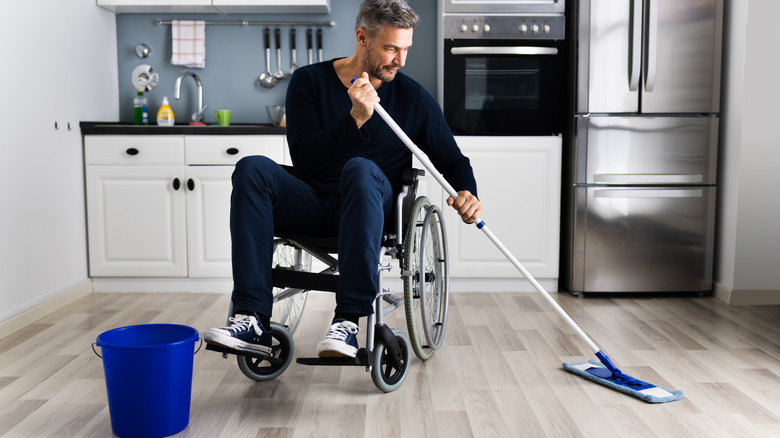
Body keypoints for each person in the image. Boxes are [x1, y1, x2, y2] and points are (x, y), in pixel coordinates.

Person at [203, 0, 483, 358]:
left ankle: (347, 322)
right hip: (313, 200)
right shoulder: (309, 81)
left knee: (361, 168)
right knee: (251, 167)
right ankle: (252, 319)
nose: (400, 60)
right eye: (391, 49)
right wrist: (354, 119)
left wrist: (467, 193)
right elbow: (305, 158)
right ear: (362, 38)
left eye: (405, 49)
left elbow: (451, 159)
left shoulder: (412, 97)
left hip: (370, 206)